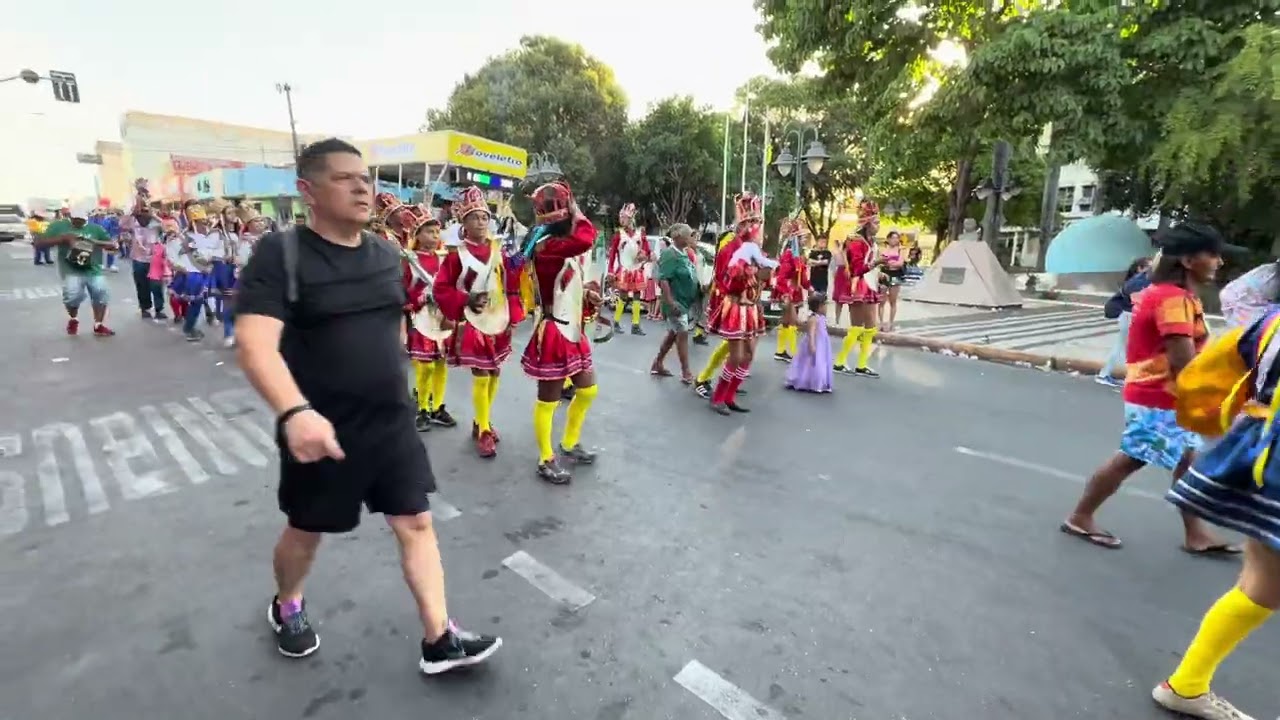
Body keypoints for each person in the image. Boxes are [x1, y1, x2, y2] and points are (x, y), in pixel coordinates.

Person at [233, 138, 501, 673]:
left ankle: (438, 638)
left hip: (392, 425)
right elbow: (254, 344)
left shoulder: (385, 254)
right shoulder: (281, 255)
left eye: (366, 178)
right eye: (344, 178)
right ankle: (288, 604)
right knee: (306, 533)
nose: (362, 187)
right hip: (321, 432)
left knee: (417, 523)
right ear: (307, 191)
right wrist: (294, 413)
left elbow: (392, 326)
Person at [1061, 223, 1239, 554]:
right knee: (1130, 459)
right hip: (1159, 399)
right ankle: (1080, 516)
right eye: (1212, 255)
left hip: (1167, 397)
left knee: (1184, 461)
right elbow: (1183, 360)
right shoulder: (1172, 300)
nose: (1219, 262)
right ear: (1188, 261)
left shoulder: (1175, 296)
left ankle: (1195, 534)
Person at [1155, 307, 1280, 720]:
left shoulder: (1270, 320)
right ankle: (1186, 685)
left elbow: (1207, 374)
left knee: (1260, 584)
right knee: (1263, 586)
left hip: (1260, 451)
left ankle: (1187, 684)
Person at [517, 181, 600, 484]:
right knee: (548, 399)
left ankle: (569, 442)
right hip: (552, 330)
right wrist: (578, 212)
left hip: (573, 328)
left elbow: (569, 283)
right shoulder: (547, 246)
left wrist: (589, 295)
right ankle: (545, 458)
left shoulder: (562, 245)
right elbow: (586, 237)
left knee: (588, 390)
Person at [433, 185, 520, 459]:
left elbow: (511, 284)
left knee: (495, 372)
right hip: (473, 321)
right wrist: (465, 300)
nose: (481, 222)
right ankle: (484, 430)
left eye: (484, 217)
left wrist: (513, 314)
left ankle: (481, 420)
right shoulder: (455, 255)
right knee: (481, 374)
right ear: (464, 223)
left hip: (497, 319)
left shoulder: (499, 251)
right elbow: (441, 289)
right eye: (474, 218)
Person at [706, 194, 777, 415]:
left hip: (752, 308)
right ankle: (717, 397)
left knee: (748, 355)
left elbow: (764, 279)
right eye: (755, 224)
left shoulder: (757, 252)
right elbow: (726, 280)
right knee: (735, 356)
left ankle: (729, 396)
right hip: (737, 306)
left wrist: (767, 272)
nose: (760, 230)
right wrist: (744, 273)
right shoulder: (732, 249)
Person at [403, 207, 458, 432]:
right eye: (429, 232)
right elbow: (404, 289)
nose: (435, 236)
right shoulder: (409, 259)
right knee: (425, 367)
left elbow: (454, 285)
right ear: (417, 235)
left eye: (437, 232)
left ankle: (437, 406)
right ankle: (423, 408)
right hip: (423, 317)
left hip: (443, 317)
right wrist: (421, 297)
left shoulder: (446, 258)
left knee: (441, 364)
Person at [35, 202, 117, 337]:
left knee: (101, 293)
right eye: (75, 220)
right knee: (72, 297)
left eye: (82, 221)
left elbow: (112, 246)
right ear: (70, 217)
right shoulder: (58, 226)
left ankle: (99, 325)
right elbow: (39, 243)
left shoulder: (95, 229)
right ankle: (73, 319)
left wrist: (94, 242)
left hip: (93, 268)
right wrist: (63, 238)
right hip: (71, 270)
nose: (78, 223)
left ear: (87, 218)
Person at [832, 200, 881, 377]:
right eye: (876, 222)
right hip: (858, 286)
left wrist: (880, 272)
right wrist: (876, 263)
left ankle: (861, 364)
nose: (879, 226)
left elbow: (868, 265)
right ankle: (839, 361)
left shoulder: (870, 241)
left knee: (870, 328)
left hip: (870, 284)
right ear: (867, 223)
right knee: (856, 327)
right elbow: (856, 269)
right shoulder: (855, 240)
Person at [650, 223, 700, 384]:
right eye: (689, 235)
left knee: (673, 334)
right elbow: (663, 279)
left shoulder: (683, 253)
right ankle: (686, 372)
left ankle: (657, 363)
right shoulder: (670, 254)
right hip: (675, 303)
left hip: (684, 302)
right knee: (682, 333)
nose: (691, 238)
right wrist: (671, 302)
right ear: (678, 237)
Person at [1097, 256, 1154, 387]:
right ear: (1140, 268)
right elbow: (1138, 300)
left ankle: (1117, 375)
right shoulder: (1138, 282)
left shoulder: (1139, 280)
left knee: (1127, 348)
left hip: (1129, 317)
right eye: (1149, 267)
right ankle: (1104, 375)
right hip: (1129, 317)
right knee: (1122, 348)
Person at [120, 192, 168, 321]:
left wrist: (154, 215)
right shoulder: (133, 220)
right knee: (142, 284)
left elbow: (167, 228)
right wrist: (131, 212)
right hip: (139, 258)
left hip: (155, 258)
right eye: (141, 209)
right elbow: (122, 225)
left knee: (157, 285)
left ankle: (159, 309)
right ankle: (145, 308)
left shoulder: (155, 220)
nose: (143, 212)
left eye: (146, 208)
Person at [606, 203, 651, 335]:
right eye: (621, 218)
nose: (621, 220)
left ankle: (635, 325)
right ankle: (616, 322)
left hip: (636, 269)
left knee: (637, 296)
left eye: (624, 218)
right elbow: (613, 253)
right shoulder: (618, 234)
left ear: (631, 219)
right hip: (624, 269)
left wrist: (644, 255)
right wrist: (610, 270)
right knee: (623, 296)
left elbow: (647, 249)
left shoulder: (640, 233)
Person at [773, 218, 812, 362]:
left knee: (786, 321)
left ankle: (781, 350)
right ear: (796, 238)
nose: (805, 240)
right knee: (793, 321)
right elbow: (782, 276)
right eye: (803, 237)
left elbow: (802, 277)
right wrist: (784, 293)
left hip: (795, 291)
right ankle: (794, 352)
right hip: (788, 291)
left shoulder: (799, 256)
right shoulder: (789, 254)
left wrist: (809, 287)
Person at [785, 293, 834, 393]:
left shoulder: (821, 318)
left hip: (822, 344)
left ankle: (820, 382)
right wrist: (812, 344)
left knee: (820, 362)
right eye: (825, 305)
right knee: (812, 363)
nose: (826, 308)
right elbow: (811, 333)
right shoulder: (813, 319)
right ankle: (813, 382)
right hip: (815, 343)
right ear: (819, 306)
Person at [877, 231, 906, 331]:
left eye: (897, 238)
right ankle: (881, 323)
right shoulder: (883, 250)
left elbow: (900, 263)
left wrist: (889, 264)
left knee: (893, 301)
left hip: (895, 275)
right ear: (888, 239)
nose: (895, 240)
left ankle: (891, 323)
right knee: (881, 301)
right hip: (884, 274)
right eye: (893, 238)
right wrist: (886, 264)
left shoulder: (900, 250)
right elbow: (879, 262)